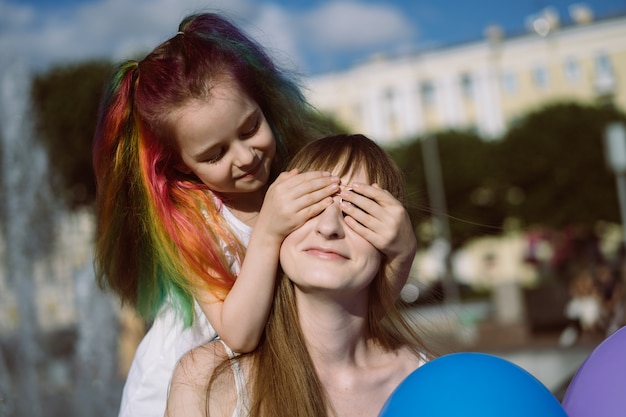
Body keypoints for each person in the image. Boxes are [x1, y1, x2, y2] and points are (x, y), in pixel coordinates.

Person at [92, 14, 417, 417]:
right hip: (177, 392)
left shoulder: (292, 184)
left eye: (249, 129)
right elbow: (240, 335)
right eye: (214, 155)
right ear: (180, 167)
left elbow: (359, 306)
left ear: (265, 104)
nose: (245, 158)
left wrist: (401, 253)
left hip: (261, 383)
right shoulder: (194, 220)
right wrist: (269, 231)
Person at [165, 134, 432, 417]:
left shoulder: (430, 383)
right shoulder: (205, 381)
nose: (329, 227)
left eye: (357, 211)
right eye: (311, 204)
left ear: (393, 243)